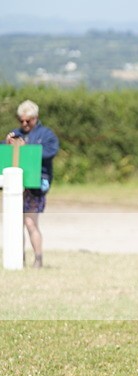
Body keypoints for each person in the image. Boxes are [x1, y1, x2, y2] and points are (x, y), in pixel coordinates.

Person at [3, 100, 60, 269]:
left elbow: (51, 152)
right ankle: (17, 258)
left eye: (28, 120)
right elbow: (5, 155)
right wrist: (7, 144)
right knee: (15, 223)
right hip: (16, 185)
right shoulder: (15, 134)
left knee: (30, 222)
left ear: (36, 118)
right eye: (21, 120)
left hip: (36, 185)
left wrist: (29, 149)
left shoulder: (46, 135)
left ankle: (38, 259)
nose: (24, 124)